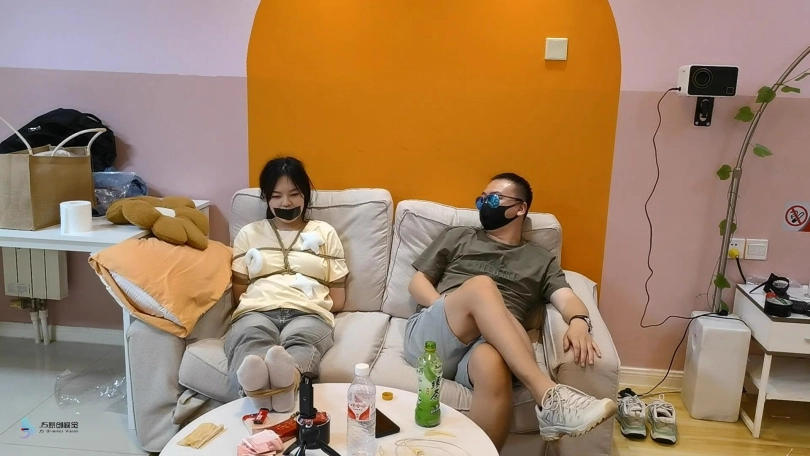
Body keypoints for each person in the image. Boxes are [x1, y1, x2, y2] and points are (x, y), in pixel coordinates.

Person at [402, 173, 617, 449]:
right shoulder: (459, 236)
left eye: (493, 199)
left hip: (495, 344)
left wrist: (579, 321)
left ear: (520, 208)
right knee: (482, 286)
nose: (484, 206)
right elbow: (417, 282)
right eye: (481, 200)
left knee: (492, 363)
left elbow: (566, 298)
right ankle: (549, 398)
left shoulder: (540, 259)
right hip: (438, 334)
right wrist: (454, 305)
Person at [225, 156, 348, 412]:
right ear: (266, 198)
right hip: (257, 310)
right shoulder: (249, 233)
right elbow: (239, 293)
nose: (286, 203)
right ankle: (269, 388)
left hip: (308, 312)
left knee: (302, 342)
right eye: (276, 195)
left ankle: (284, 382)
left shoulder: (325, 233)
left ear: (306, 194)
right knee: (250, 337)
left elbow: (338, 299)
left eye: (294, 194)